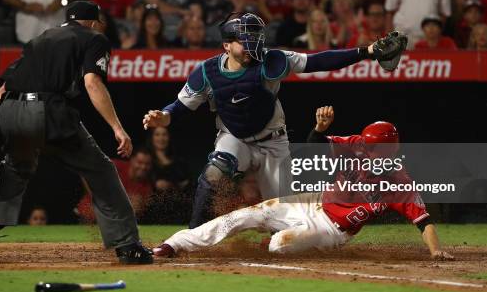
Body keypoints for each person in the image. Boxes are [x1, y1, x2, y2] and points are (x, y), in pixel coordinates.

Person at [142, 12, 401, 228]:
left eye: (254, 39)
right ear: (226, 45)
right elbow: (178, 108)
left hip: (273, 142)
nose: (252, 47)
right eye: (245, 41)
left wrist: (367, 51)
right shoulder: (207, 72)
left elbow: (318, 61)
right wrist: (162, 117)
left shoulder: (271, 60)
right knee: (213, 173)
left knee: (284, 219)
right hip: (235, 138)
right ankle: (192, 233)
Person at [0, 1, 152, 265]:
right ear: (93, 22)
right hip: (47, 111)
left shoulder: (41, 38)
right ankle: (128, 246)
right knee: (101, 170)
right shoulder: (94, 38)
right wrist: (117, 128)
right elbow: (92, 82)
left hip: (9, 110)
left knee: (14, 170)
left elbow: (5, 86)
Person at [151, 107, 453, 260]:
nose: (366, 149)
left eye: (374, 147)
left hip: (332, 230)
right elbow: (315, 144)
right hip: (313, 202)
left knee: (278, 245)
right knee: (243, 216)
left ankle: (263, 244)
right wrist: (320, 129)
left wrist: (435, 251)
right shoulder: (357, 144)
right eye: (366, 144)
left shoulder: (399, 182)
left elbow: (423, 221)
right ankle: (173, 244)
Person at [77, 148, 155, 222]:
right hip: (86, 216)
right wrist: (98, 197)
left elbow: (133, 213)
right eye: (140, 162)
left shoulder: (147, 188)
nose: (143, 167)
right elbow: (86, 170)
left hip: (112, 224)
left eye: (147, 164)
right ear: (132, 160)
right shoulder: (114, 166)